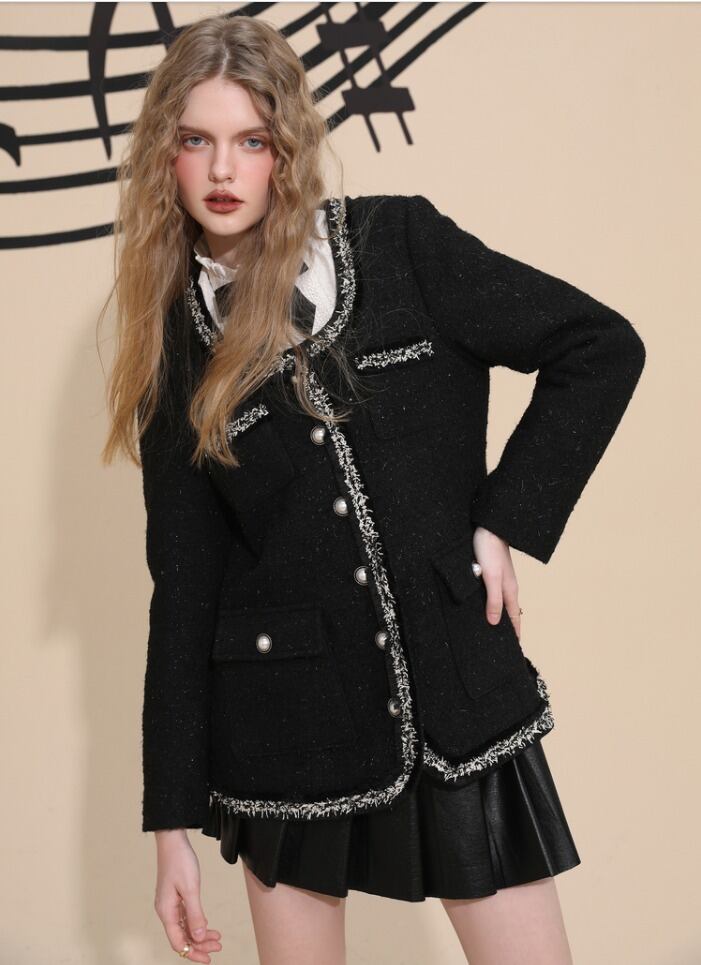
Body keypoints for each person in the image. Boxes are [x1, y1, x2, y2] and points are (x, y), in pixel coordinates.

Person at [100, 13, 646, 965]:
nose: (222, 169)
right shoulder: (175, 353)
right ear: (165, 158)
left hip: (456, 692)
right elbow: (183, 597)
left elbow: (599, 348)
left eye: (250, 141)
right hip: (284, 729)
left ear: (286, 149)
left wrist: (501, 521)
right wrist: (171, 827)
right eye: (195, 141)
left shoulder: (401, 243)